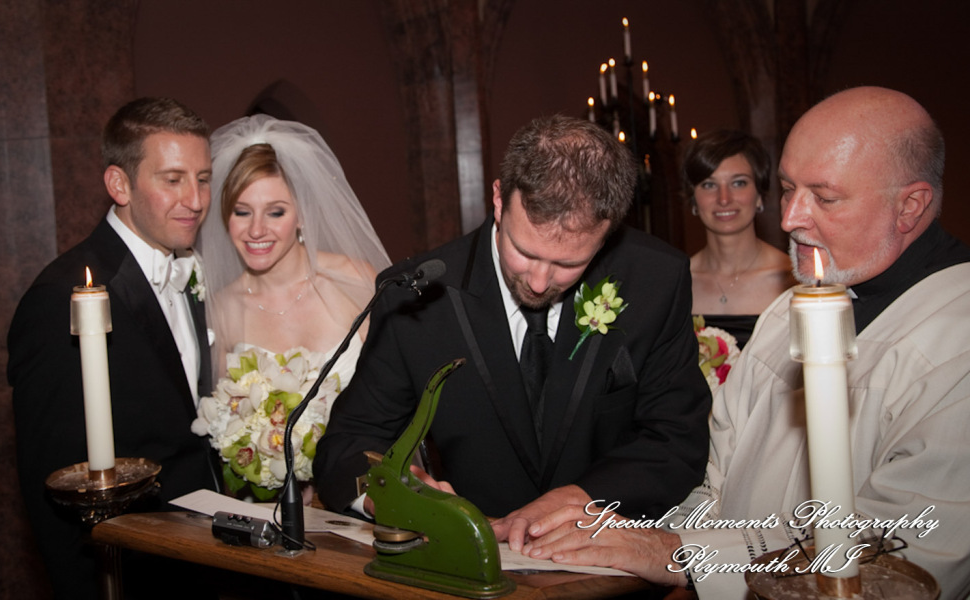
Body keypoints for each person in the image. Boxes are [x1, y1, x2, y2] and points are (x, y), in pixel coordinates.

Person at [520, 87, 970, 599]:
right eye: (787, 189)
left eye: (824, 197)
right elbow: (717, 482)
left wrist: (676, 555)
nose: (789, 219)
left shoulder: (957, 335)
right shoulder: (790, 310)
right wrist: (621, 535)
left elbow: (906, 549)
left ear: (910, 205)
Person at [314, 114, 711, 550]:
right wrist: (397, 494)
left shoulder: (656, 279)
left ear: (608, 231)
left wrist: (577, 500)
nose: (540, 282)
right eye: (525, 252)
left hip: (611, 568)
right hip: (469, 566)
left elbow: (677, 439)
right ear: (499, 199)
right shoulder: (418, 295)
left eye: (568, 264)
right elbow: (345, 447)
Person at [8, 97, 221, 599]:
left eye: (204, 178)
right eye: (172, 179)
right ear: (119, 184)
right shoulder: (62, 296)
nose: (195, 199)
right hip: (128, 572)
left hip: (203, 563)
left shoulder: (192, 271)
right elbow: (52, 485)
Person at [193, 115, 391, 498]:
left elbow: (399, 401)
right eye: (242, 211)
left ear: (300, 213)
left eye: (276, 211)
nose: (256, 230)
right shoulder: (222, 308)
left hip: (365, 500)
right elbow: (219, 426)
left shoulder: (355, 281)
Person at [683, 130, 794, 349]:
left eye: (739, 183)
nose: (724, 199)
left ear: (760, 194)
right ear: (693, 199)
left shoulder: (793, 281)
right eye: (709, 185)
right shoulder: (677, 284)